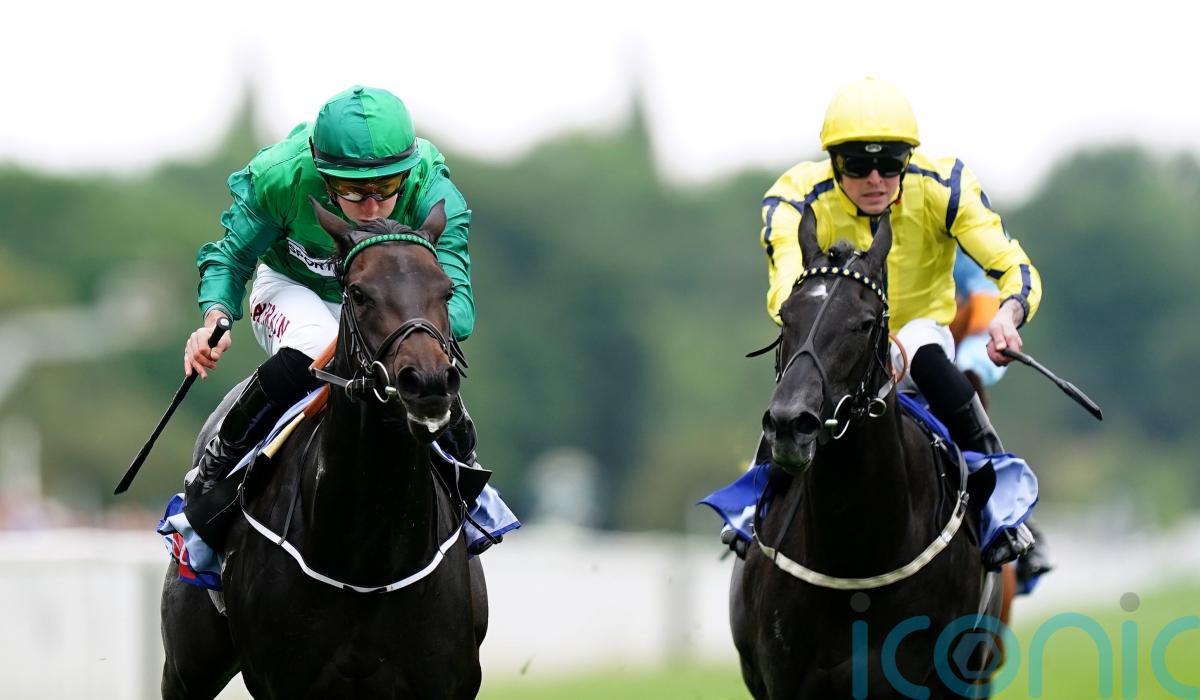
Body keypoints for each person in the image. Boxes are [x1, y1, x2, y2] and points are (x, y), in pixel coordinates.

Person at [758, 76, 1039, 568]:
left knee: (923, 351)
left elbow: (1014, 266)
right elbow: (785, 287)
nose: (875, 179)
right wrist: (821, 328)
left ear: (908, 159)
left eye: (890, 163)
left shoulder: (944, 185)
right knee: (800, 373)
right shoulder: (796, 196)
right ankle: (754, 499)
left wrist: (1008, 314)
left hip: (919, 335)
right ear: (833, 161)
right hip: (836, 339)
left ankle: (1000, 498)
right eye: (857, 164)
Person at [183, 85, 478, 505]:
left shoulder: (431, 187)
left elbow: (457, 305)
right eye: (353, 190)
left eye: (386, 186)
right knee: (318, 343)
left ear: (407, 172)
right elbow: (232, 257)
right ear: (323, 174)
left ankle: (469, 485)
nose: (372, 206)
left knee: (424, 359)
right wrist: (217, 316)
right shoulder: (280, 177)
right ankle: (214, 468)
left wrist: (420, 335)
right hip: (292, 285)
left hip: (385, 301)